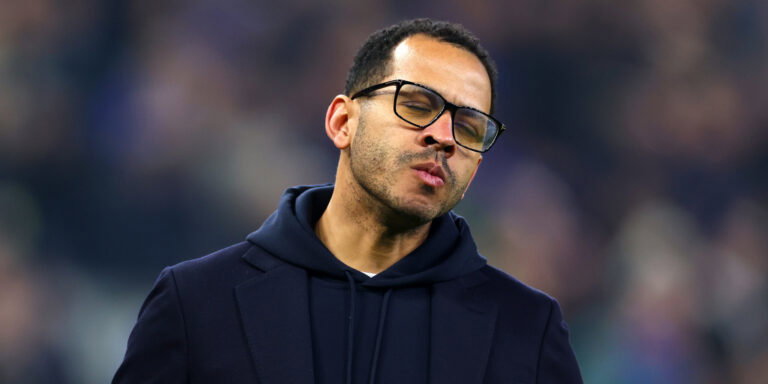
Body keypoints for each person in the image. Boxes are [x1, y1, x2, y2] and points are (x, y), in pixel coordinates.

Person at [112, 18, 583, 384]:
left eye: (468, 128)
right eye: (417, 105)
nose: (443, 137)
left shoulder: (526, 329)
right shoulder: (196, 303)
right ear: (342, 122)